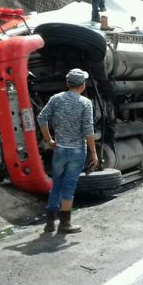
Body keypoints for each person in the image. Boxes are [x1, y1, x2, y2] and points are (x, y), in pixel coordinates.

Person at [37, 68, 99, 233]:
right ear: (83, 85)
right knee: (69, 186)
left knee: (56, 183)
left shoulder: (56, 99)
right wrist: (93, 152)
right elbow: (88, 130)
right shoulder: (85, 103)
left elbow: (41, 118)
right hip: (77, 151)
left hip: (59, 150)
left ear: (67, 83)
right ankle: (65, 223)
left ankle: (49, 223)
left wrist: (48, 140)